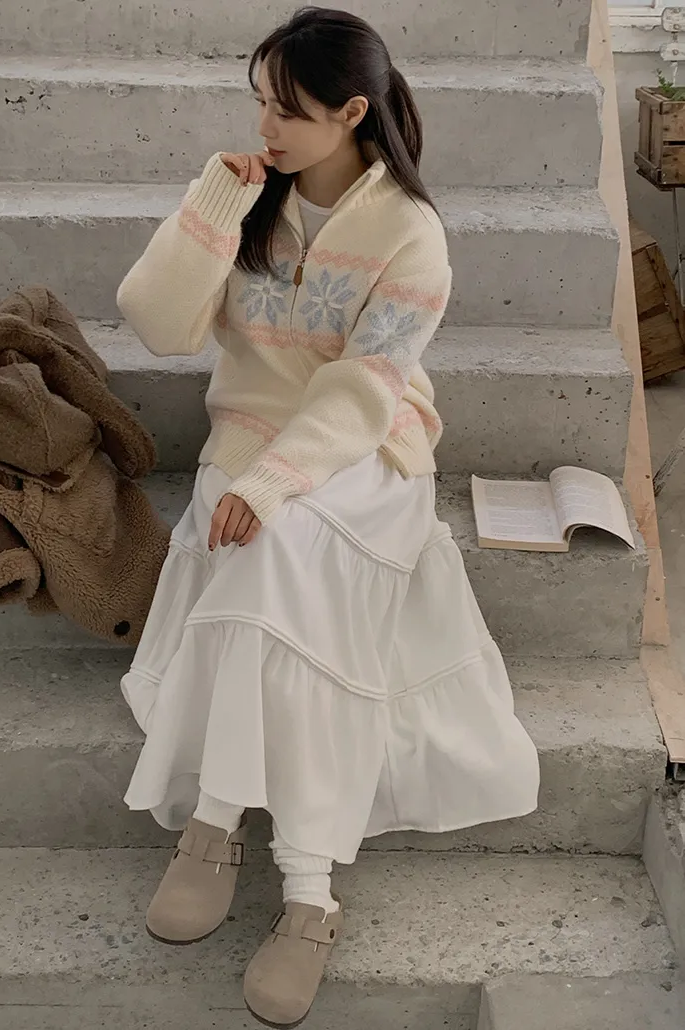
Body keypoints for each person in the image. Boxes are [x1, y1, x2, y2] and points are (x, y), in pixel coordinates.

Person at [116, 7, 540, 1027]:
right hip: (246, 438)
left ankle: (264, 860)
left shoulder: (411, 234)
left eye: (289, 111)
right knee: (270, 560)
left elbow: (365, 387)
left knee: (278, 552)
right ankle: (279, 871)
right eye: (259, 102)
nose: (266, 127)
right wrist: (212, 209)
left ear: (352, 113)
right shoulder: (241, 193)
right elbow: (159, 325)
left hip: (363, 453)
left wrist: (276, 485)